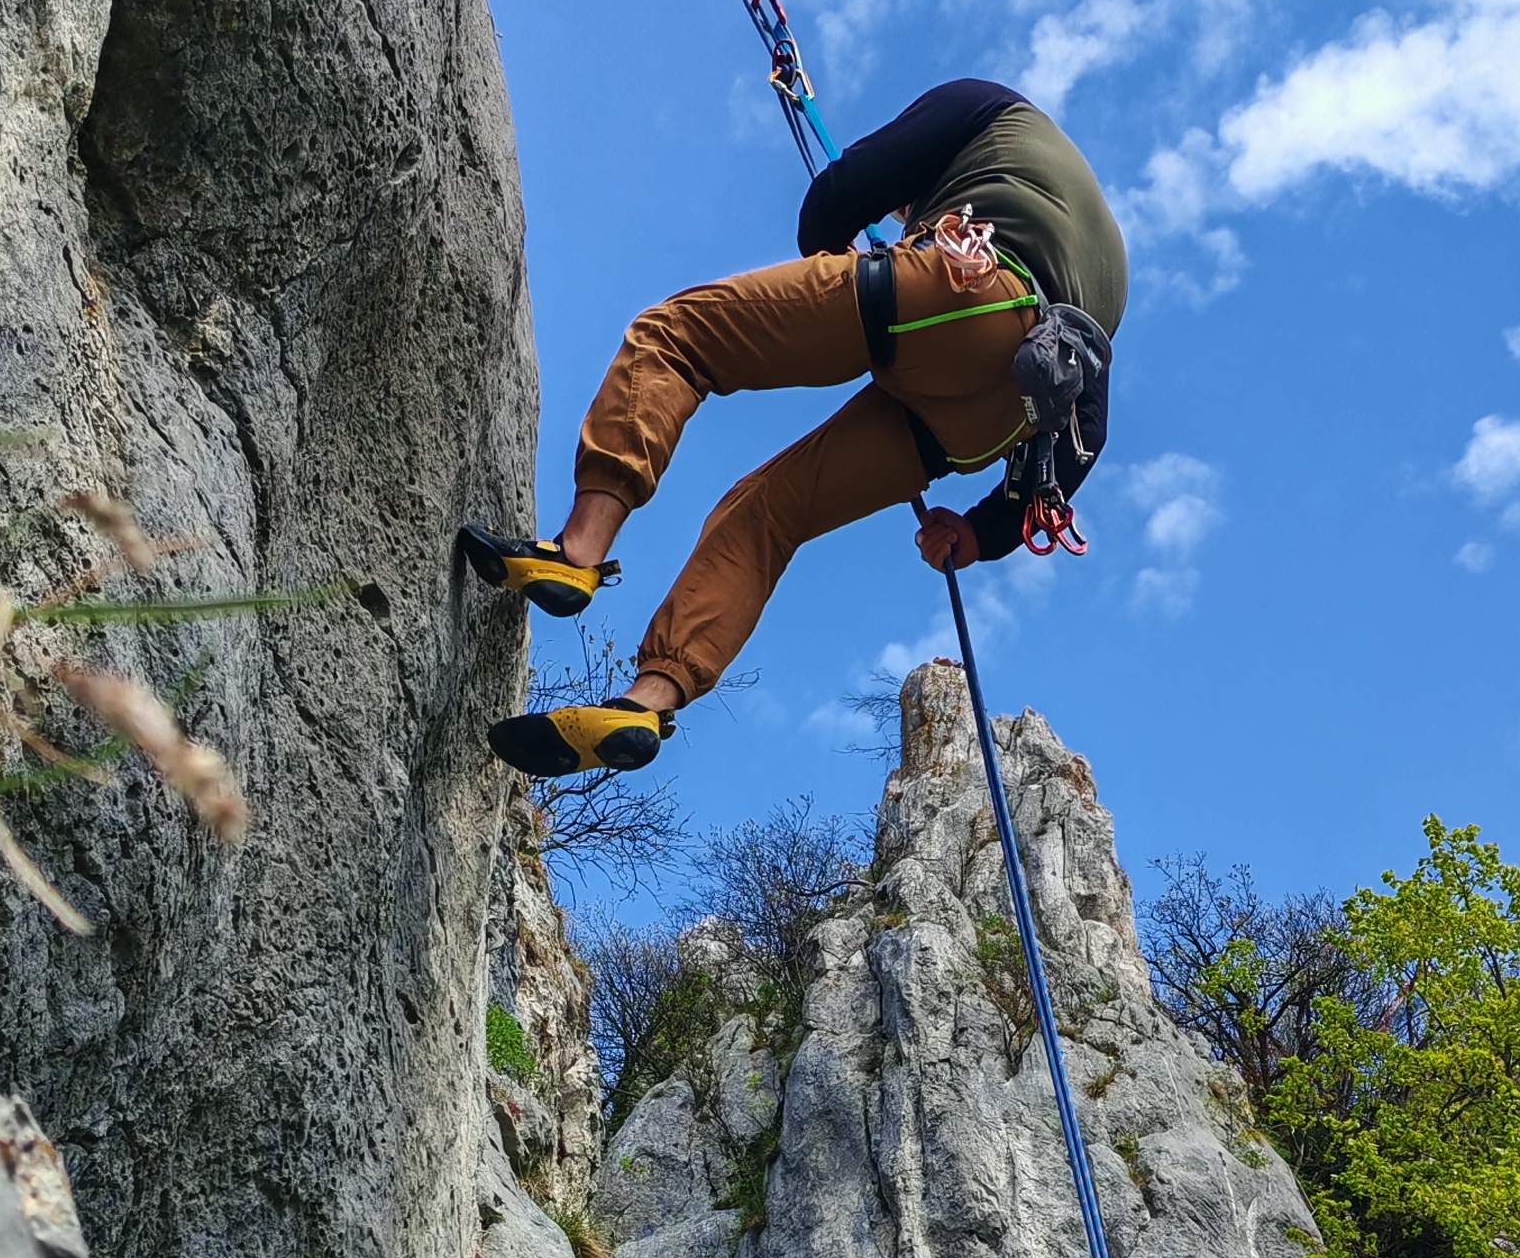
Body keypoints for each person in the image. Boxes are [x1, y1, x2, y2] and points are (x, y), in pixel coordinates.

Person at [465, 78, 1127, 776]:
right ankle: (645, 702)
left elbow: (844, 193)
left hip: (960, 291)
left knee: (676, 339)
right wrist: (982, 533)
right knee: (766, 512)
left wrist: (842, 246)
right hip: (994, 417)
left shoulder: (988, 107)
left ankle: (578, 551)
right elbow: (1087, 433)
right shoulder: (1100, 259)